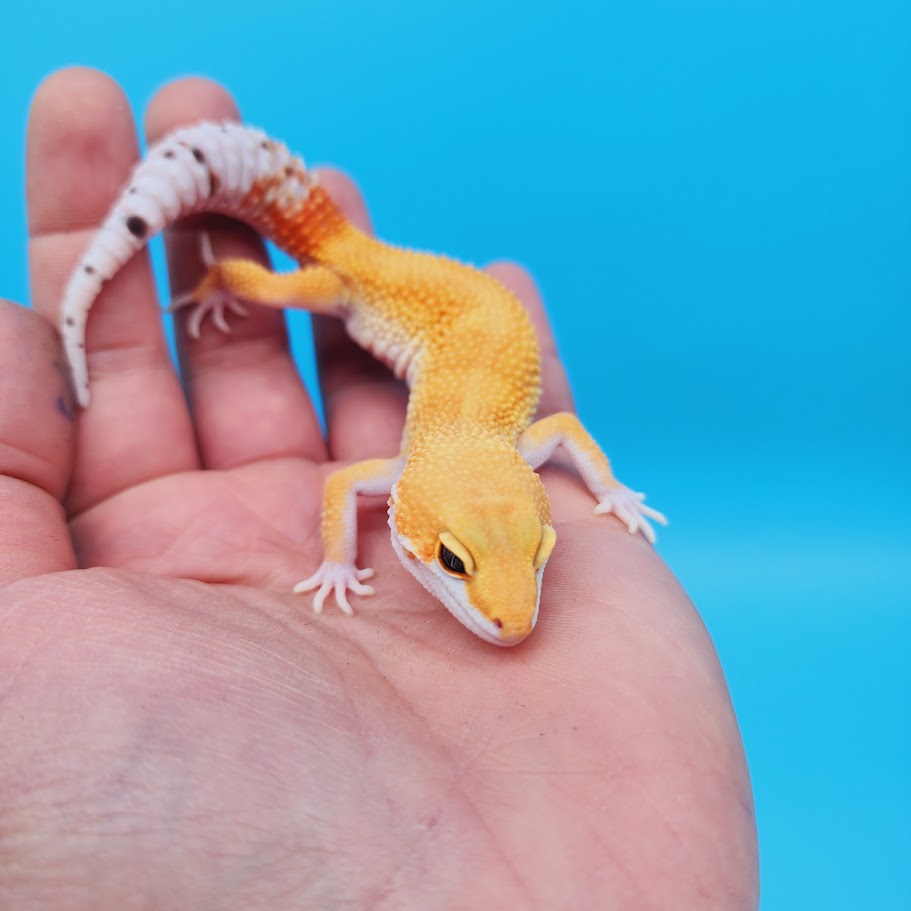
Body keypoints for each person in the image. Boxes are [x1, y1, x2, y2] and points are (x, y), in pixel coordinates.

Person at [0, 67, 758, 908]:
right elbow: (369, 486)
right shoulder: (420, 467)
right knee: (271, 283)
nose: (511, 611)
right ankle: (220, 270)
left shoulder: (495, 451)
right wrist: (334, 561)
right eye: (459, 561)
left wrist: (607, 492)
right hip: (362, 281)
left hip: (446, 311)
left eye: (536, 554)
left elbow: (564, 438)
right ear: (412, 523)